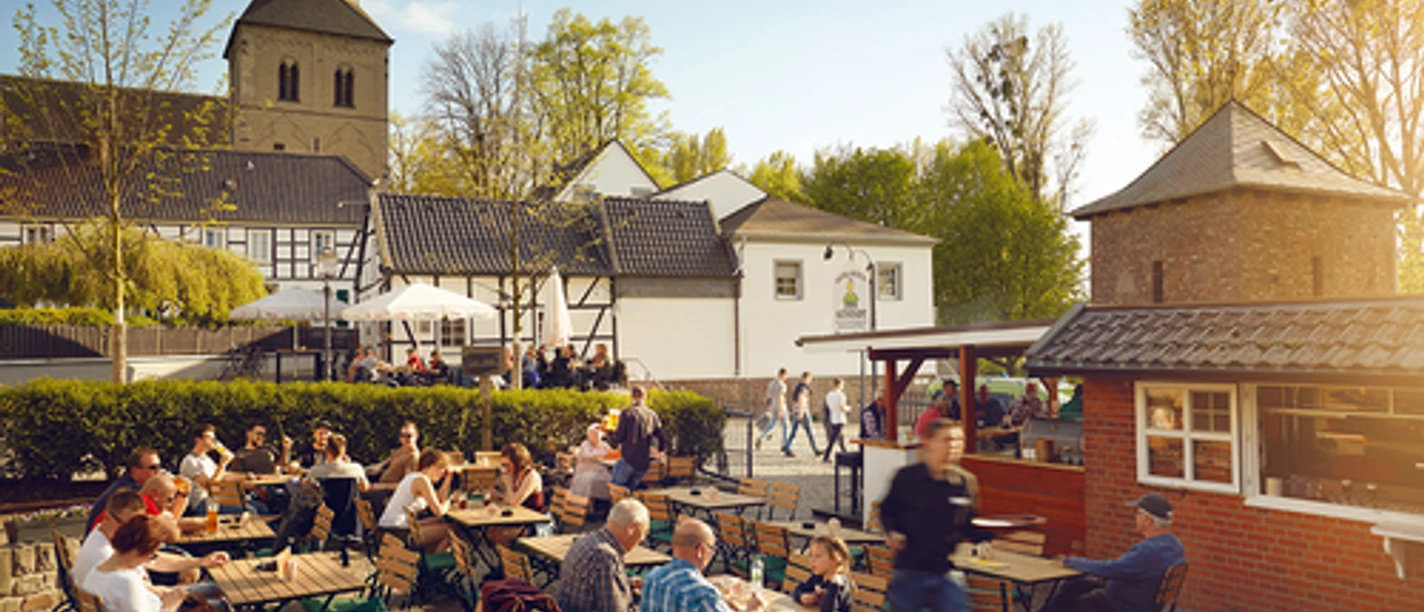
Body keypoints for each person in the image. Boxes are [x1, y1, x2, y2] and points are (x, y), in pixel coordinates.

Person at [880, 419, 994, 612]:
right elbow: (887, 510)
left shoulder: (965, 482)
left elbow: (968, 525)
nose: (953, 446)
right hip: (910, 570)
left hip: (946, 571)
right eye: (947, 440)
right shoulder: (907, 477)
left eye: (958, 440)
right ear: (928, 443)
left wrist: (993, 536)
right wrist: (892, 531)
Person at [1044, 493, 1187, 612]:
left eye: (1137, 513)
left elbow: (1109, 569)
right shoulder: (1174, 544)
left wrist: (1071, 562)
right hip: (1144, 601)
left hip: (1123, 606)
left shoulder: (1148, 551)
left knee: (1075, 602)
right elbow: (1120, 569)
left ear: (1148, 521)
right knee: (1074, 585)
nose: (1135, 518)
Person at [73, 490, 228, 589]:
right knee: (218, 597)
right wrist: (176, 596)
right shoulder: (105, 556)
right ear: (107, 517)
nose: (134, 532)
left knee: (210, 588)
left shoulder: (106, 538)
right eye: (128, 525)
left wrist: (200, 561)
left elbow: (154, 560)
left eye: (138, 525)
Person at [639, 519, 765, 612]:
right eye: (711, 548)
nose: (712, 553)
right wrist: (753, 609)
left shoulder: (652, 577)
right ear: (700, 550)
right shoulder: (702, 593)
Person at [555, 498, 650, 612]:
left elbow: (597, 587)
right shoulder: (605, 556)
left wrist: (628, 584)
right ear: (631, 527)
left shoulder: (586, 540)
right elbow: (615, 609)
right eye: (643, 532)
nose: (642, 538)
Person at [82, 516, 187, 612]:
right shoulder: (125, 581)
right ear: (141, 552)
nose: (148, 560)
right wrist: (171, 605)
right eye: (152, 555)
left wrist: (158, 594)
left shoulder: (97, 569)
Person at [378, 448, 453, 553]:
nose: (443, 474)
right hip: (397, 531)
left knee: (440, 523)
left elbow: (438, 500)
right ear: (433, 466)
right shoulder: (421, 480)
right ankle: (432, 566)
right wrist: (450, 502)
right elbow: (439, 511)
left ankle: (428, 562)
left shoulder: (414, 477)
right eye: (443, 469)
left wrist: (448, 478)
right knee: (450, 530)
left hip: (391, 527)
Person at [87, 447, 162, 534]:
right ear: (135, 470)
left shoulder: (123, 485)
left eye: (159, 467)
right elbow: (161, 529)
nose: (158, 472)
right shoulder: (131, 493)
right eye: (153, 468)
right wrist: (180, 496)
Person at [608, 386, 670, 490]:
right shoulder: (652, 414)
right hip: (643, 463)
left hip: (628, 458)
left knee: (616, 490)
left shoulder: (627, 413)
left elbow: (619, 437)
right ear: (645, 397)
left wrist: (610, 433)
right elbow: (662, 436)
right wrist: (660, 450)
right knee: (629, 492)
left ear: (631, 397)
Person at [179, 424, 243, 516]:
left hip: (216, 499)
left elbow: (223, 476)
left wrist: (247, 477)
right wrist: (223, 463)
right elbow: (211, 488)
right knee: (247, 510)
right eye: (209, 437)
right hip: (201, 505)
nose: (213, 441)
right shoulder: (190, 461)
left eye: (214, 438)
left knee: (258, 507)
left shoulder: (206, 459)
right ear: (198, 440)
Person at [792, 534, 853, 612]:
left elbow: (827, 609)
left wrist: (833, 586)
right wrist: (803, 597)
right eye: (811, 555)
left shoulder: (840, 583)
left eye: (818, 556)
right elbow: (798, 589)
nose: (812, 560)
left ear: (833, 561)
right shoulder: (819, 577)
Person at [782, 371, 821, 458]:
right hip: (803, 412)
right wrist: (801, 412)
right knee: (810, 432)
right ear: (806, 378)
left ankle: (787, 447)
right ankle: (816, 450)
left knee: (794, 432)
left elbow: (794, 400)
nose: (810, 381)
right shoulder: (803, 388)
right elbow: (801, 398)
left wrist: (796, 411)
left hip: (797, 411)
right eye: (809, 379)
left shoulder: (797, 386)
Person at [571, 424, 613, 500]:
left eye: (597, 434)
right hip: (586, 470)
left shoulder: (604, 445)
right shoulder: (585, 444)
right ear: (589, 435)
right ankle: (587, 502)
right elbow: (586, 455)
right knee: (589, 479)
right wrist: (600, 455)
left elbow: (611, 454)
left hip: (601, 471)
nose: (596, 436)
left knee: (610, 480)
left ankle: (602, 502)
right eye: (593, 434)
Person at [756, 368, 789, 451]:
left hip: (773, 405)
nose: (786, 378)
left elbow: (768, 395)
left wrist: (768, 406)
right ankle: (784, 444)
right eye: (786, 376)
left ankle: (762, 437)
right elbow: (780, 397)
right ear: (783, 375)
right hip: (780, 405)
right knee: (786, 425)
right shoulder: (782, 385)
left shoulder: (771, 384)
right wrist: (781, 409)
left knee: (773, 424)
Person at [821, 378, 850, 462]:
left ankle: (844, 452)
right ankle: (827, 455)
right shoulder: (841, 395)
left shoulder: (828, 395)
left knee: (840, 437)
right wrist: (848, 409)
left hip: (833, 418)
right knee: (833, 438)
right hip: (840, 418)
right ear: (839, 385)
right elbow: (842, 407)